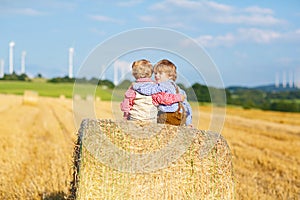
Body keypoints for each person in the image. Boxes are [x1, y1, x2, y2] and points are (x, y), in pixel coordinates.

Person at [120, 59, 184, 122]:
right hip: (150, 121)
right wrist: (178, 97)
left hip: (134, 119)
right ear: (150, 73)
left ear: (134, 74)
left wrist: (126, 117)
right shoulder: (155, 87)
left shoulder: (132, 88)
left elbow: (126, 104)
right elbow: (164, 99)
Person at [132, 59, 192, 127]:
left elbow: (150, 90)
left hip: (168, 116)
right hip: (181, 117)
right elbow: (187, 107)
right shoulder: (179, 89)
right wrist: (188, 122)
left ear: (170, 75)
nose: (156, 76)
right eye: (155, 73)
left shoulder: (162, 85)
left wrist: (137, 86)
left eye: (160, 73)